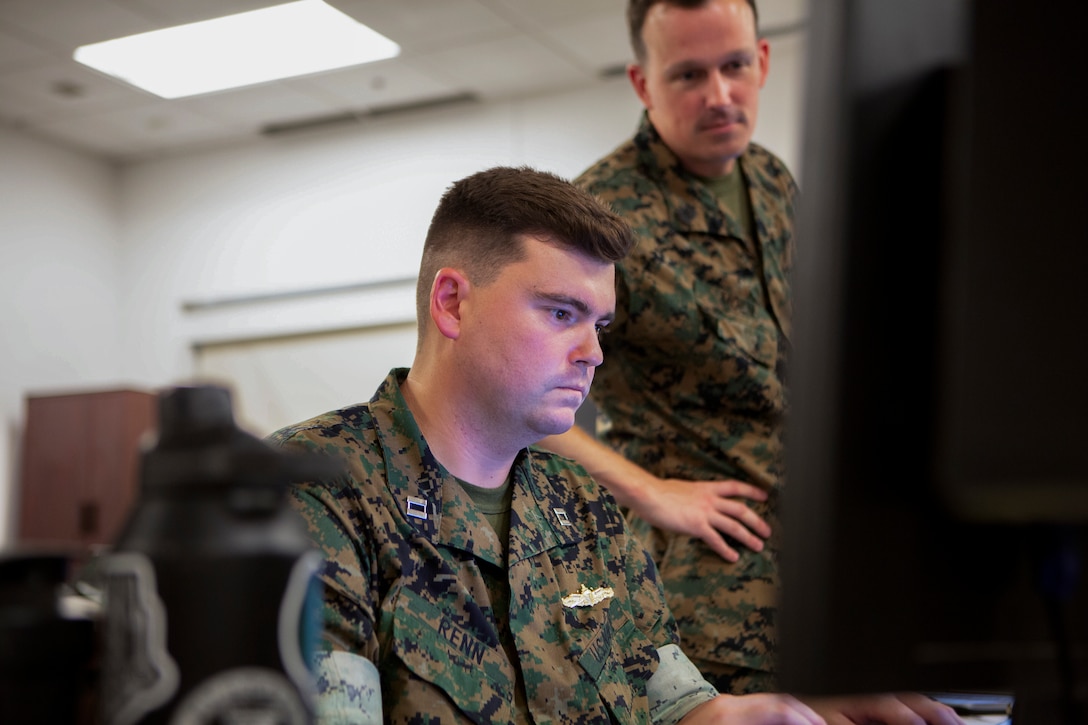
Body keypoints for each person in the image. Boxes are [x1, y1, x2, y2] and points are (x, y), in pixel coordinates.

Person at [269, 166, 960, 724]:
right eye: (562, 313)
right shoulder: (312, 491)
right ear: (452, 303)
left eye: (599, 323)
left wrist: (777, 713)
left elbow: (676, 704)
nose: (593, 352)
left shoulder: (585, 509)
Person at [538, 0, 796, 695]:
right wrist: (652, 493)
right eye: (687, 75)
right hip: (711, 595)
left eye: (735, 65)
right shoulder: (597, 216)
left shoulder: (773, 183)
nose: (719, 95)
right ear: (643, 83)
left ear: (763, 62)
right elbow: (522, 396)